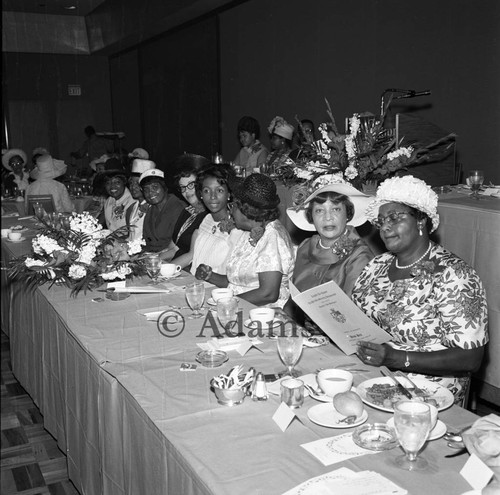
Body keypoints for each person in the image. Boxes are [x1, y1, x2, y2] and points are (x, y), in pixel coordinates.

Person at [352, 175, 488, 404]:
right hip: (373, 376)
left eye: (395, 217)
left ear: (421, 220)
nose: (385, 226)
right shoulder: (377, 265)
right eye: (381, 220)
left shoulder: (454, 275)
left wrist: (397, 358)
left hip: (428, 393)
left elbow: (471, 358)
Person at [195, 174, 294, 307]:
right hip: (242, 306)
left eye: (233, 206)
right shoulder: (248, 232)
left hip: (264, 314)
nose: (230, 212)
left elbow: (268, 293)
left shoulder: (273, 236)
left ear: (246, 210)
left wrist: (228, 302)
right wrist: (210, 276)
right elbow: (239, 282)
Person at [286, 180, 373, 296]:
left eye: (335, 209)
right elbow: (294, 298)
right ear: (310, 216)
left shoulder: (360, 255)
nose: (328, 218)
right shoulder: (305, 246)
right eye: (319, 210)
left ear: (347, 213)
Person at [190, 164, 244, 276]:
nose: (212, 197)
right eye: (206, 191)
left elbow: (232, 273)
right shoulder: (207, 219)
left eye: (219, 191)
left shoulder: (236, 227)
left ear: (229, 193)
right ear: (200, 194)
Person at [162, 154, 209, 269]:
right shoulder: (187, 211)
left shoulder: (209, 216)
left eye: (191, 185)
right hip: (177, 268)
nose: (187, 191)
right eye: (182, 187)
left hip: (193, 271)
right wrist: (152, 261)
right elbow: (174, 249)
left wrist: (164, 270)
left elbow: (191, 257)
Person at [139, 168, 185, 257]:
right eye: (146, 190)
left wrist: (152, 257)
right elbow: (146, 242)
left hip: (172, 258)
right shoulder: (151, 210)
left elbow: (178, 246)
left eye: (155, 187)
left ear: (165, 187)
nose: (150, 193)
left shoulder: (179, 207)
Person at [102, 158, 137, 234]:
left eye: (117, 182)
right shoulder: (109, 201)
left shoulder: (133, 201)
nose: (112, 186)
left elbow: (132, 233)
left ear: (124, 182)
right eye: (108, 183)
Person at [125, 158, 156, 241]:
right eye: (131, 183)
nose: (133, 187)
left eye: (137, 183)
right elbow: (130, 236)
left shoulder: (155, 208)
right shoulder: (131, 209)